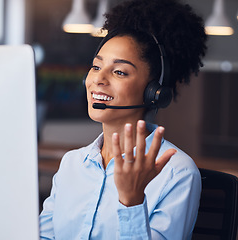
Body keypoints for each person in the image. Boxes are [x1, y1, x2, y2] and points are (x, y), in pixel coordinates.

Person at [39, 0, 207, 239]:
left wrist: (132, 202)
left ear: (154, 92)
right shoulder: (72, 164)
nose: (99, 79)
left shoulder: (176, 172)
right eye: (96, 67)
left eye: (119, 72)